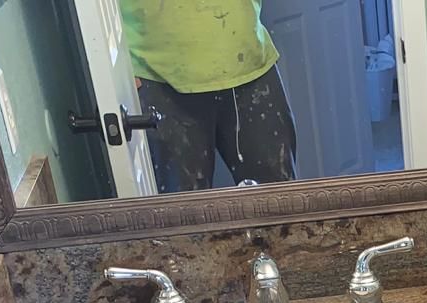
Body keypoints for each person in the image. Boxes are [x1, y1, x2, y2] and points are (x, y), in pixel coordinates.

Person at [120, 0, 299, 191]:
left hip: (249, 56)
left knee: (280, 204)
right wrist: (112, 66)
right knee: (182, 214)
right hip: (157, 74)